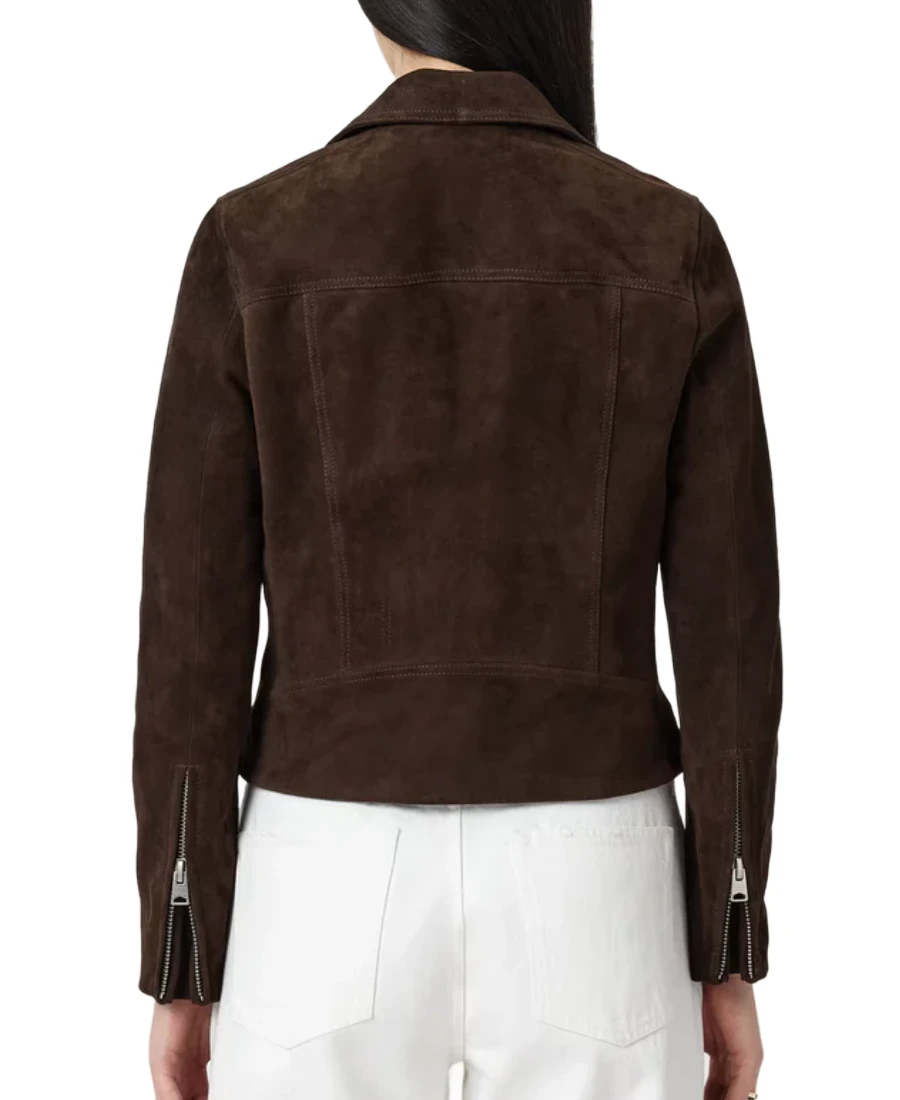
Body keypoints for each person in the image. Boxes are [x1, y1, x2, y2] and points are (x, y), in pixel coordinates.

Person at [134, 2, 780, 1098]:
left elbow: (191, 633)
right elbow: (732, 634)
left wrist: (181, 951)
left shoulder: (258, 235)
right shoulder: (664, 236)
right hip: (598, 875)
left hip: (322, 876)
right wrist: (729, 940)